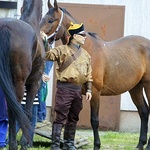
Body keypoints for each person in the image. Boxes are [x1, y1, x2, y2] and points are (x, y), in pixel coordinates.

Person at [41, 22, 93, 150]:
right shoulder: (61, 50)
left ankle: (69, 144)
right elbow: (48, 55)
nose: (85, 37)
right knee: (60, 117)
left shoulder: (86, 54)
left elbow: (89, 74)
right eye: (82, 35)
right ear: (74, 36)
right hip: (64, 89)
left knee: (73, 117)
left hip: (78, 90)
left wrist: (89, 90)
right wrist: (46, 43)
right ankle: (55, 145)